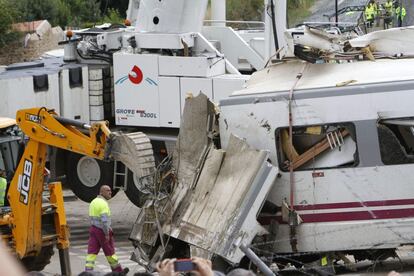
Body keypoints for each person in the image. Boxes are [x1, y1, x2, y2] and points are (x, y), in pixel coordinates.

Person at [85, 185, 129, 275]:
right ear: (101, 192)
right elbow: (105, 221)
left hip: (93, 229)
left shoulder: (93, 201)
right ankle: (118, 272)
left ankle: (88, 272)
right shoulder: (103, 203)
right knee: (110, 252)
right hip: (102, 230)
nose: (110, 192)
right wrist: (106, 233)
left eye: (110, 190)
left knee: (92, 252)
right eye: (107, 191)